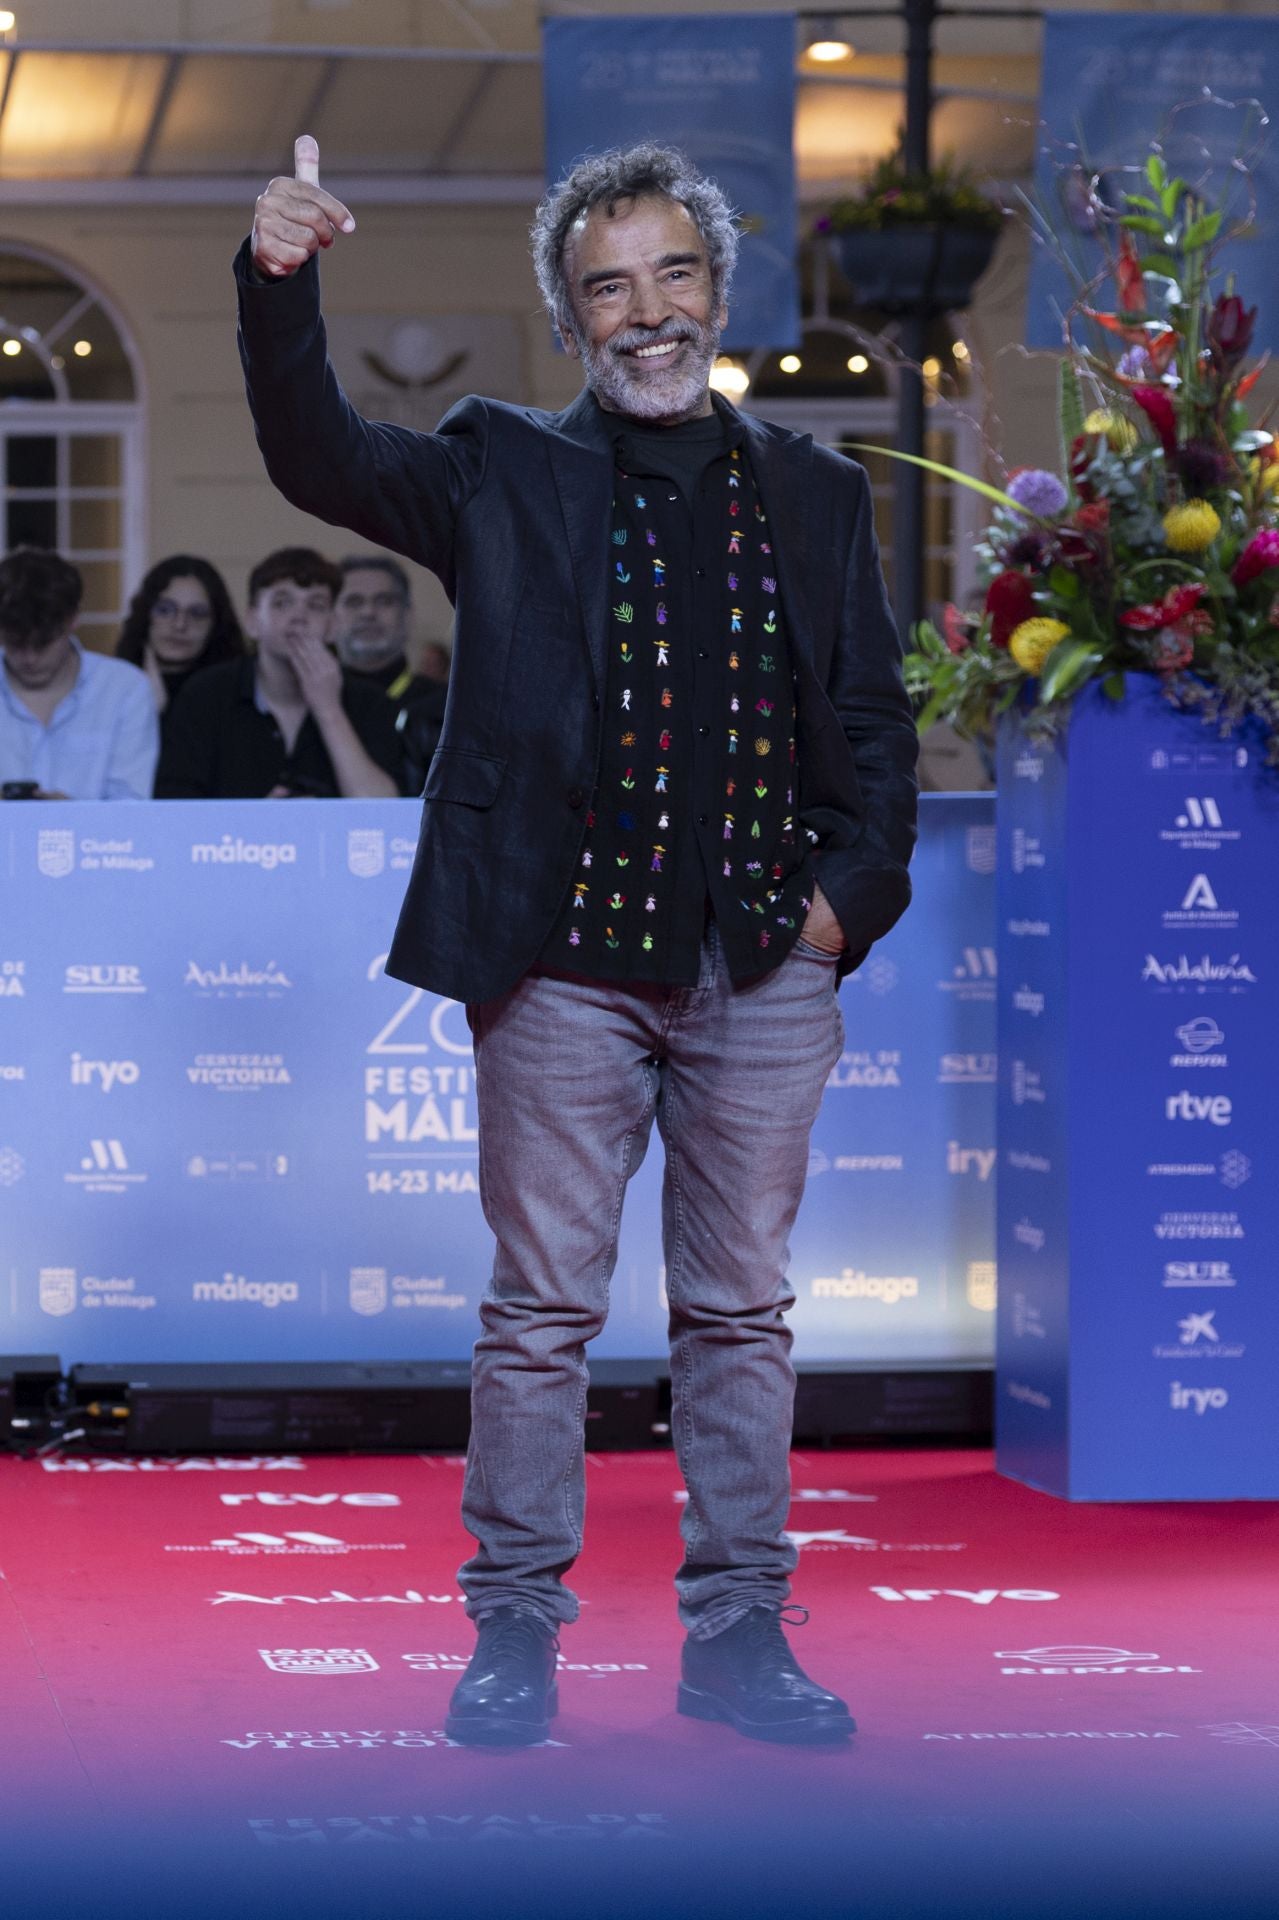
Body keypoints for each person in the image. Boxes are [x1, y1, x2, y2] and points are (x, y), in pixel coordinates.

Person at [238, 138, 918, 1746]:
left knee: (739, 1311)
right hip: (556, 968)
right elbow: (312, 449)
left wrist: (843, 906)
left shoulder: (818, 493)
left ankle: (738, 1637)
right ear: (568, 316)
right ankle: (516, 1637)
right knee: (541, 1309)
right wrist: (279, 280)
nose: (644, 310)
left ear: (716, 290)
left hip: (763, 961)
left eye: (670, 273)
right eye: (605, 284)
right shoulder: (497, 468)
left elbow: (875, 734)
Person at [154, 546, 402, 797]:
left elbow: (383, 812)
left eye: (316, 605)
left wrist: (329, 708)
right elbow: (174, 809)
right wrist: (263, 823)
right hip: (233, 838)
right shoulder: (205, 695)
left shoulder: (369, 701)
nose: (299, 616)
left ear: (333, 626)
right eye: (282, 603)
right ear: (252, 621)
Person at [0, 545, 157, 800]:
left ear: (72, 619)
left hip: (94, 841)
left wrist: (72, 817)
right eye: (16, 643)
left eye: (42, 643)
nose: (29, 658)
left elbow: (131, 809)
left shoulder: (123, 689)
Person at [332, 554, 446, 791]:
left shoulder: (447, 707)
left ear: (408, 616)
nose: (368, 613)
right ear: (330, 619)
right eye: (353, 602)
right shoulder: (306, 705)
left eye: (384, 601)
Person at [116, 554, 245, 738]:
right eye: (165, 610)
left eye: (197, 613)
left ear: (216, 624)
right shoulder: (113, 686)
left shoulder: (234, 697)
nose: (180, 624)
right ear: (145, 615)